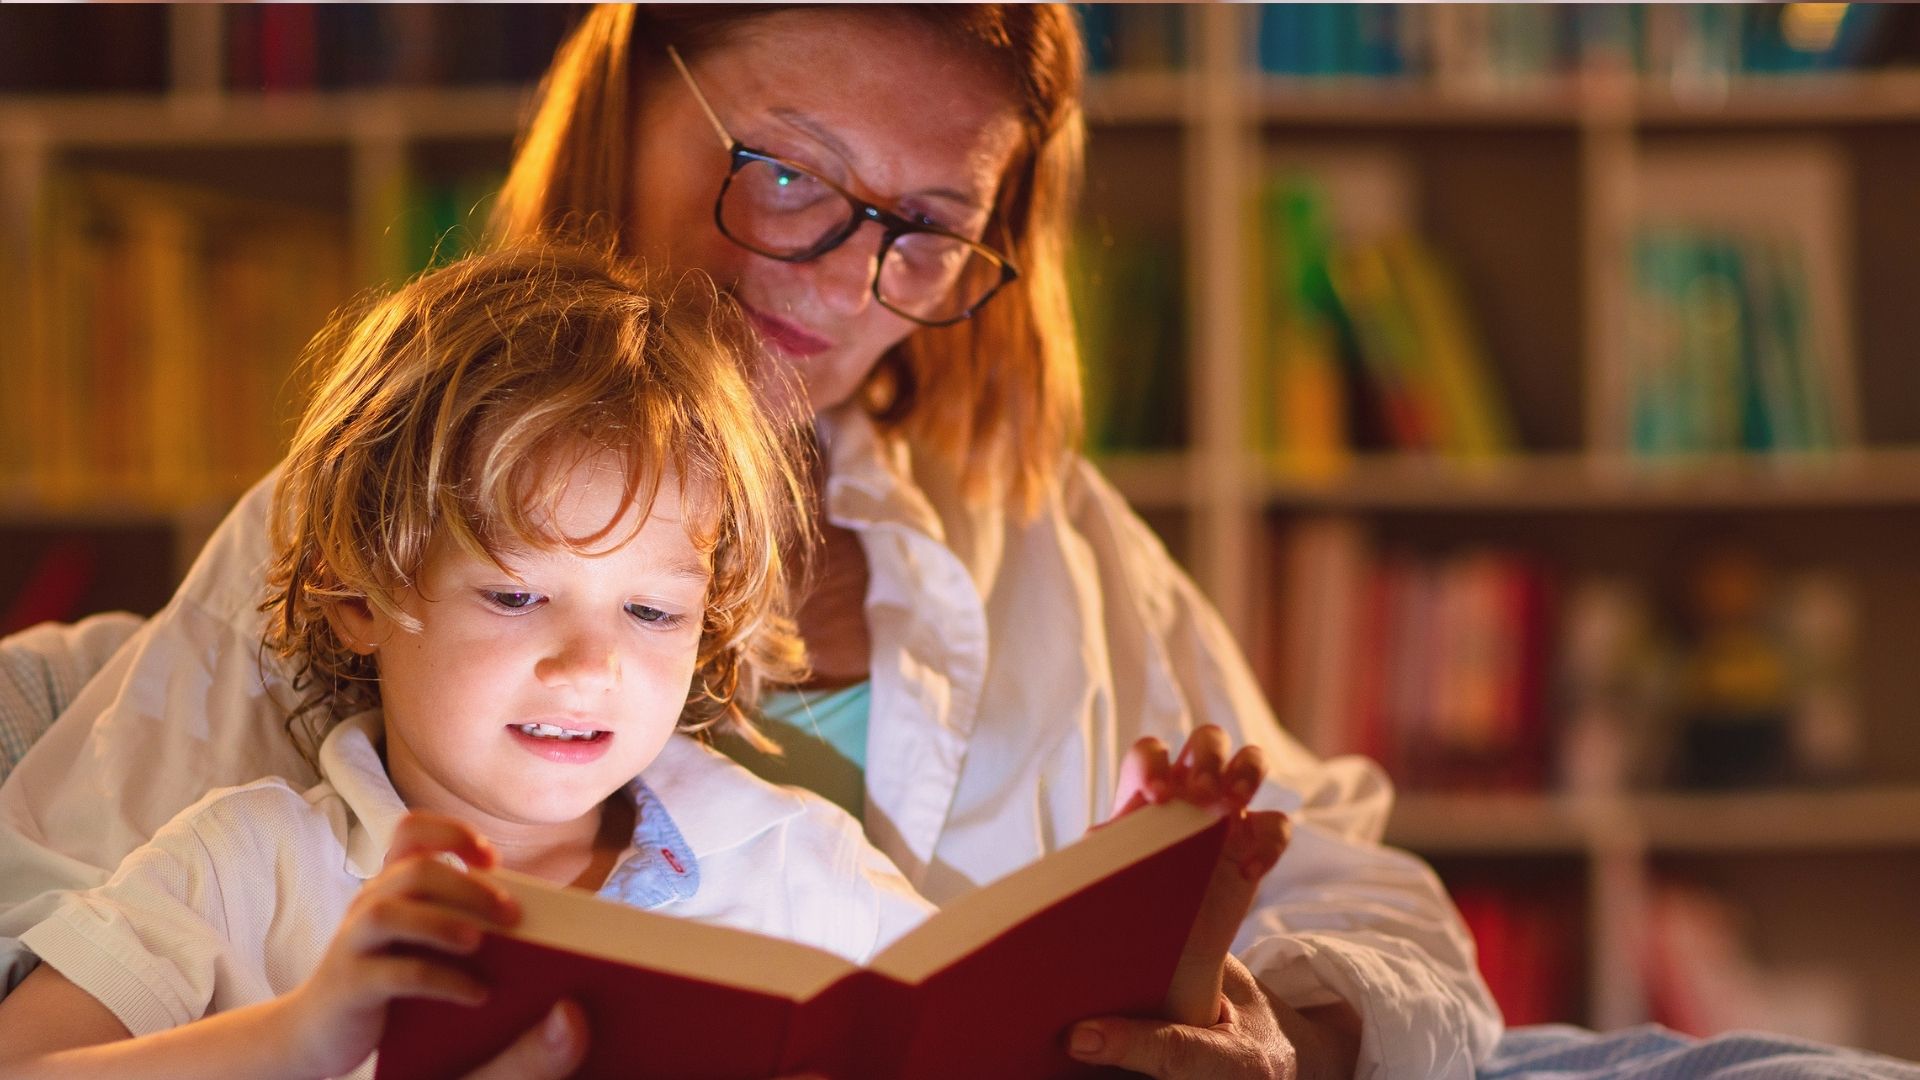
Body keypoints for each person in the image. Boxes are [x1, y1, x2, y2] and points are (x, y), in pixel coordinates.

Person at [0, 7, 1499, 1079]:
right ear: (627, 100)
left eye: (927, 226)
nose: (846, 279)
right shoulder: (373, 502)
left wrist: (1271, 1037)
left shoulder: (1042, 534)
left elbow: (1360, 901)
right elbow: (58, 936)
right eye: (789, 171)